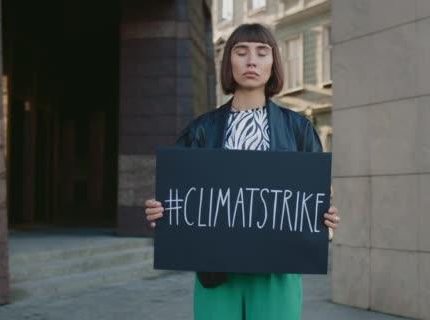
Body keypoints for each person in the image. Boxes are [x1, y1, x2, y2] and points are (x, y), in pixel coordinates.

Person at [144, 23, 340, 320]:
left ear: (273, 63)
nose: (251, 61)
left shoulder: (298, 129)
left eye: (262, 53)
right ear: (228, 62)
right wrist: (162, 212)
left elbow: (314, 199)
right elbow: (179, 196)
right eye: (241, 52)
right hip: (216, 273)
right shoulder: (200, 130)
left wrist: (325, 221)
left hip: (277, 273)